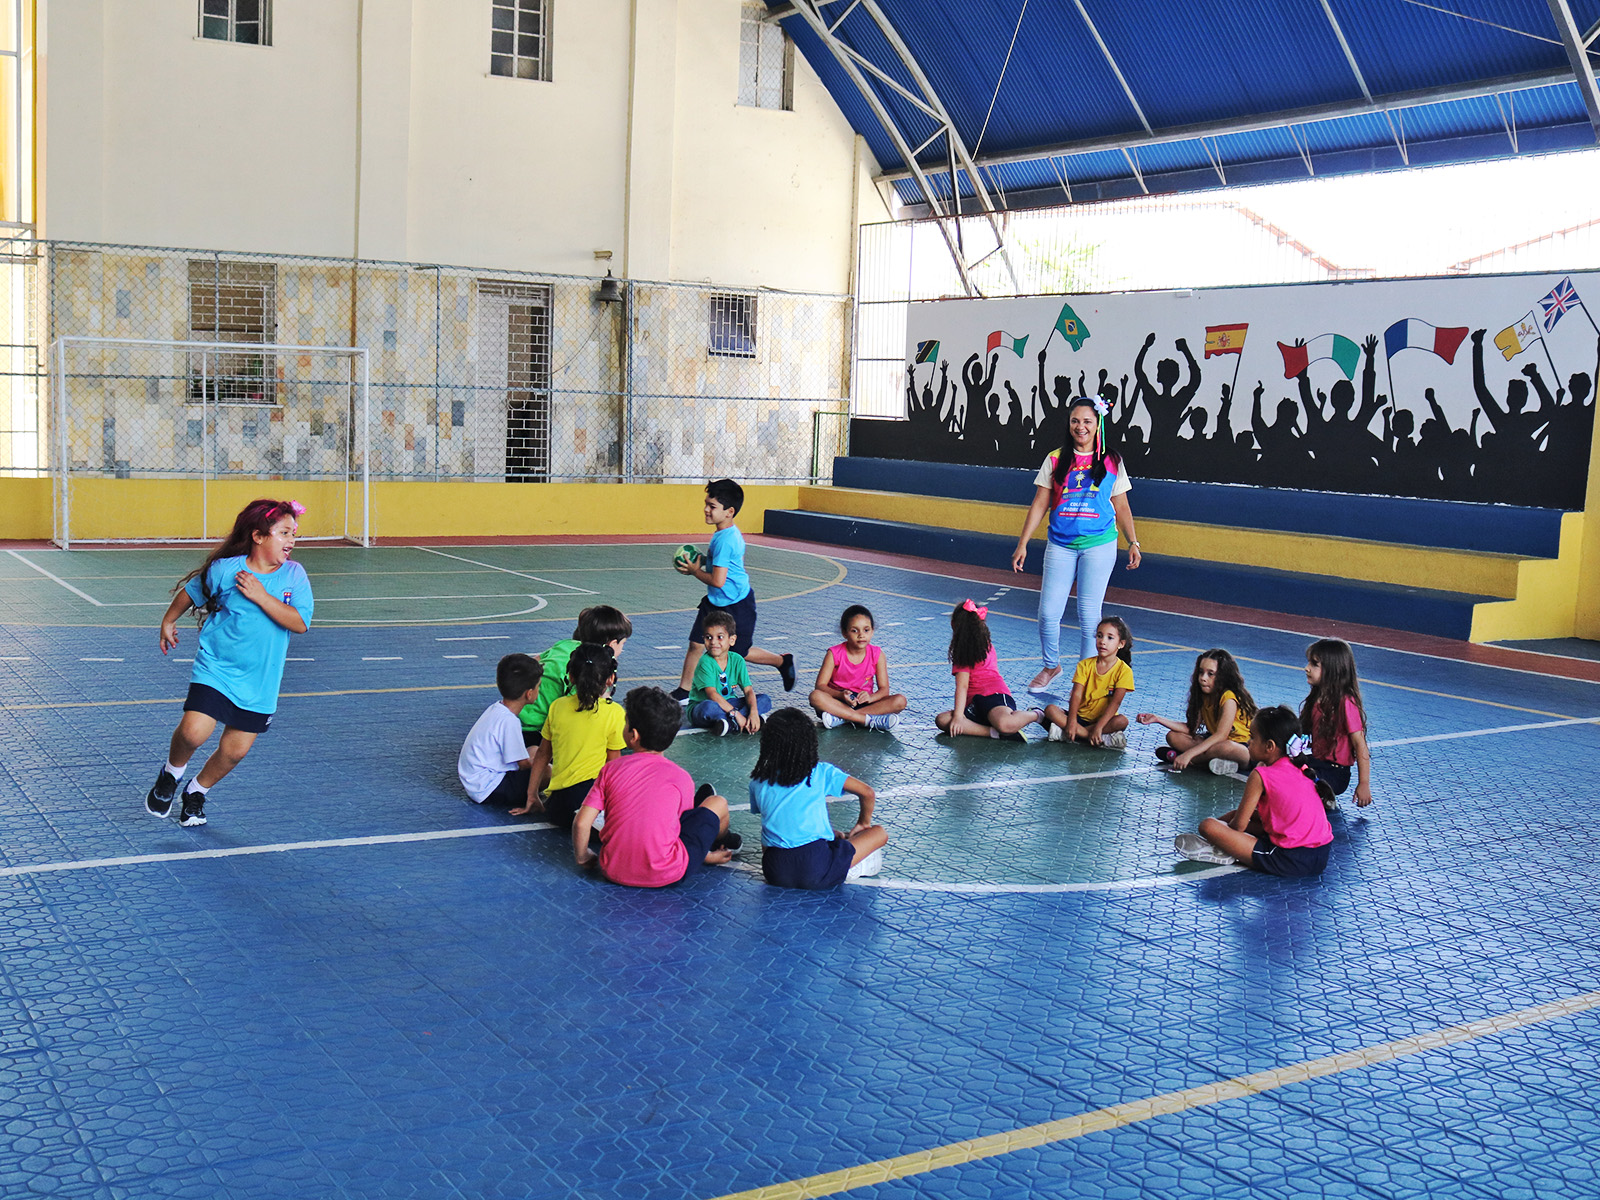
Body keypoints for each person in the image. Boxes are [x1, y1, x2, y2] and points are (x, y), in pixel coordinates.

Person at [147, 498, 315, 828]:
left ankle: (196, 791)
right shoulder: (226, 570)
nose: (292, 540)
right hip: (217, 668)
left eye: (294, 533)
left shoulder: (294, 576)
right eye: (284, 533)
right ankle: (171, 773)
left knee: (234, 751)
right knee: (194, 732)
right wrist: (168, 620)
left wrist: (261, 596)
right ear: (258, 536)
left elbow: (299, 623)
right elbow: (192, 592)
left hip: (261, 680)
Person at [1011, 396, 1141, 695]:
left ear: (1097, 425)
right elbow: (1040, 503)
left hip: (1099, 544)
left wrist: (1133, 541)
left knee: (1089, 615)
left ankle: (1084, 679)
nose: (1080, 427)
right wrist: (1023, 543)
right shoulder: (1055, 459)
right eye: (1075, 421)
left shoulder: (1112, 461)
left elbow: (1121, 505)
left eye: (1087, 421)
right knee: (1048, 613)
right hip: (1061, 544)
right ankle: (1051, 666)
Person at [572, 687, 740, 887]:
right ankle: (723, 843)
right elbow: (679, 830)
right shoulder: (681, 777)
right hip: (668, 874)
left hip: (613, 870)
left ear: (633, 735)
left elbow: (581, 823)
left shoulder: (610, 770)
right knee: (717, 803)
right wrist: (705, 856)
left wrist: (583, 857)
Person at [671, 479, 795, 703]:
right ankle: (684, 691)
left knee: (739, 652)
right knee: (696, 643)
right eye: (706, 504)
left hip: (737, 604)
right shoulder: (723, 533)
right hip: (715, 601)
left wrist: (694, 570)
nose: (706, 509)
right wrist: (702, 560)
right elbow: (720, 568)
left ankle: (781, 662)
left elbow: (718, 581)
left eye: (712, 506)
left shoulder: (726, 540)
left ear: (729, 512)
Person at [1174, 706, 1334, 877]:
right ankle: (1224, 844)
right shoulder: (1300, 768)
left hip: (1290, 859)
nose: (1248, 742)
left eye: (1252, 737)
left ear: (1269, 746)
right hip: (1321, 855)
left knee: (1208, 826)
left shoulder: (1260, 775)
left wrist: (1224, 836)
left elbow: (1239, 826)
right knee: (1239, 816)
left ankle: (1224, 849)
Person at [749, 709, 887, 889]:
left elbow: (771, 825)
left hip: (775, 870)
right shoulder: (821, 772)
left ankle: (833, 855)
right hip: (816, 866)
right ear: (809, 743)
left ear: (767, 745)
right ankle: (849, 869)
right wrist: (863, 823)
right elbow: (867, 793)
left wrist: (828, 833)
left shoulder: (758, 781)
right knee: (878, 833)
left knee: (834, 837)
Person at [512, 643, 625, 828]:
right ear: (610, 679)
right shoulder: (615, 713)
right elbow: (613, 767)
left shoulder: (558, 706)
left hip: (557, 808)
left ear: (571, 676)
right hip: (588, 806)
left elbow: (542, 754)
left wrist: (531, 795)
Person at [520, 605, 633, 749]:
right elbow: (584, 710)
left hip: (520, 716)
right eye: (623, 644)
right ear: (612, 644)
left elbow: (534, 661)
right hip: (538, 729)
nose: (622, 649)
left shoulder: (566, 645)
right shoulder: (588, 667)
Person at [934, 599, 1043, 740]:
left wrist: (959, 717)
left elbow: (962, 686)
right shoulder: (971, 646)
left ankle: (1036, 714)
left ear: (953, 625)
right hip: (974, 704)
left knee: (1004, 724)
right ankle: (994, 733)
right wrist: (958, 717)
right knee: (943, 720)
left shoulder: (978, 646)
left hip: (994, 696)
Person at [1137, 648, 1254, 775]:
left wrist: (1189, 754)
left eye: (1210, 674)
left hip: (1241, 747)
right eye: (1201, 672)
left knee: (1225, 747)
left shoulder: (1228, 698)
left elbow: (1221, 735)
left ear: (1223, 676)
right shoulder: (1203, 695)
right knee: (1172, 736)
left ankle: (1191, 760)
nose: (1203, 678)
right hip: (1214, 743)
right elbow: (1191, 729)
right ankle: (1214, 762)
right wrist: (1158, 719)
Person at [457, 653, 543, 807]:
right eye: (539, 686)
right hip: (490, 789)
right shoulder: (509, 721)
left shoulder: (497, 709)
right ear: (529, 694)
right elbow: (523, 764)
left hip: (476, 784)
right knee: (546, 770)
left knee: (535, 750)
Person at [1298, 638, 1374, 809]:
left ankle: (1322, 796)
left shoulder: (1346, 702)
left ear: (1332, 670)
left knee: (1298, 782)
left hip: (1335, 773)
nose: (1307, 668)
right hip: (1316, 762)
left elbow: (1359, 744)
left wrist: (1364, 783)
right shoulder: (1316, 698)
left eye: (1314, 664)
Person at [809, 604, 907, 731]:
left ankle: (841, 718)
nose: (861, 635)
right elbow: (820, 686)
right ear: (844, 633)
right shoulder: (834, 654)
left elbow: (884, 690)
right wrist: (840, 695)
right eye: (854, 630)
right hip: (838, 702)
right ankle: (867, 720)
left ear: (872, 631)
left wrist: (870, 697)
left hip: (865, 703)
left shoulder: (878, 654)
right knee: (815, 696)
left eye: (866, 630)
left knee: (900, 701)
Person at [1041, 616, 1134, 749]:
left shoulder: (1124, 671)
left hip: (1103, 721)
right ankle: (1091, 737)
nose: (1103, 641)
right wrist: (1072, 721)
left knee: (1122, 721)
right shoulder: (1084, 665)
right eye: (1099, 636)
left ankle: (1071, 734)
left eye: (1110, 638)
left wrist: (1099, 727)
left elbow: (1115, 703)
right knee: (1050, 709)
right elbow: (1076, 694)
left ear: (1121, 644)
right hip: (1079, 718)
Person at [687, 610, 771, 735]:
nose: (713, 642)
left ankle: (729, 723)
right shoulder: (705, 662)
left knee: (764, 700)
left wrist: (753, 711)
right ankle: (740, 721)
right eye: (708, 637)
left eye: (720, 637)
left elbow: (748, 690)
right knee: (708, 708)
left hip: (729, 703)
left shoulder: (737, 660)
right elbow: (712, 694)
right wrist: (736, 714)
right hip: (704, 705)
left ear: (732, 640)